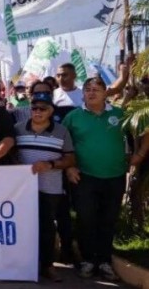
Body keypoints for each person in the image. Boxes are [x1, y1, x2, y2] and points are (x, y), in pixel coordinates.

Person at [63, 77, 128, 281]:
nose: (91, 93)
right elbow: (62, 144)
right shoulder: (73, 117)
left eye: (96, 89)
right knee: (87, 219)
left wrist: (140, 155)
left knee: (108, 220)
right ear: (83, 93)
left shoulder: (120, 114)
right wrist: (69, 167)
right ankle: (89, 260)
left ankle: (105, 261)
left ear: (105, 92)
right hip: (85, 176)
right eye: (88, 89)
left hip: (115, 176)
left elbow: (142, 131)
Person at [14, 91, 75, 282]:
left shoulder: (61, 131)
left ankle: (47, 266)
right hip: (22, 189)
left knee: (47, 227)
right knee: (22, 227)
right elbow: (11, 153)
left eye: (43, 108)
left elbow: (70, 158)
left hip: (50, 188)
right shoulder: (17, 128)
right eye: (34, 108)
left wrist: (50, 165)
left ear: (51, 111)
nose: (37, 111)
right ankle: (22, 264)